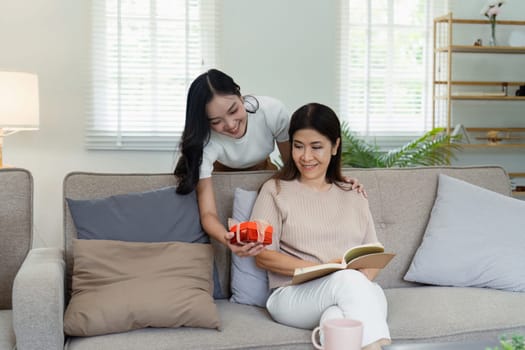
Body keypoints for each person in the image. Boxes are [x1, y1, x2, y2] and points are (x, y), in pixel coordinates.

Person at [174, 69, 364, 257]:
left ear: (241, 97)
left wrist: (336, 180)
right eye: (216, 121)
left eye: (234, 110)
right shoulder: (205, 142)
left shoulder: (271, 111)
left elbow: (297, 164)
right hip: (221, 175)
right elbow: (208, 214)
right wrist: (228, 239)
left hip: (265, 170)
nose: (231, 124)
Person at [251, 103, 391, 350]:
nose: (306, 157)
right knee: (351, 285)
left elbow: (372, 254)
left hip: (350, 289)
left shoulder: (353, 192)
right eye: (298, 146)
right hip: (292, 296)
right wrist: (326, 270)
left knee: (338, 316)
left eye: (316, 147)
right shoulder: (275, 190)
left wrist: (353, 279)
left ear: (335, 146)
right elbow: (263, 256)